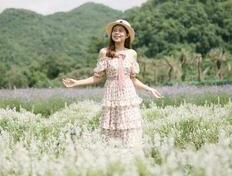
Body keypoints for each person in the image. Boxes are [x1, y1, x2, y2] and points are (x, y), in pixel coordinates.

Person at [63, 19, 162, 147]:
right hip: (111, 95)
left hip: (127, 95)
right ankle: (112, 159)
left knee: (129, 127)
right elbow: (97, 77)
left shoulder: (132, 54)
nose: (117, 33)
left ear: (127, 35)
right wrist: (77, 82)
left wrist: (149, 89)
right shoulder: (104, 52)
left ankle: (131, 158)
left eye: (121, 31)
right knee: (111, 130)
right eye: (114, 31)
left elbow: (133, 79)